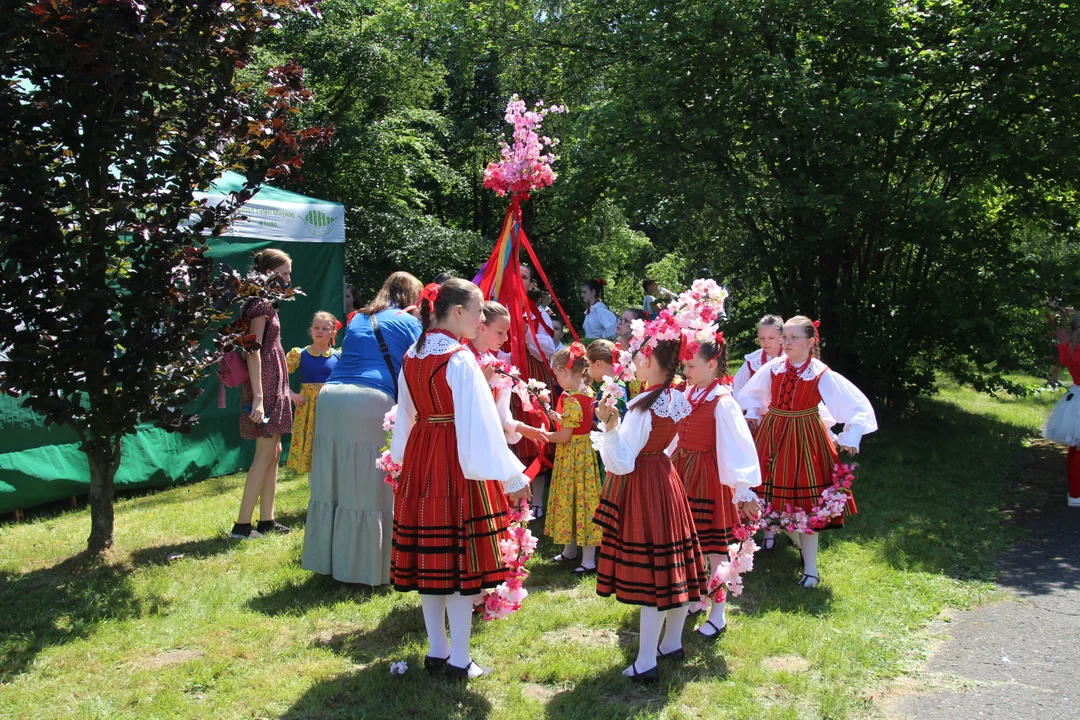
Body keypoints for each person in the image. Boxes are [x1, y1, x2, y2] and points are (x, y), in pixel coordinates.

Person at [389, 278, 531, 680]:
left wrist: (402, 457)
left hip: (422, 456)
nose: (481, 316)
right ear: (456, 313)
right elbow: (481, 423)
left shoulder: (412, 356)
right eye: (477, 309)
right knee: (459, 563)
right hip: (456, 460)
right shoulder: (460, 358)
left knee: (433, 561)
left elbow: (406, 415)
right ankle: (458, 659)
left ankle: (438, 650)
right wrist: (508, 473)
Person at [593, 333, 707, 683]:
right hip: (664, 477)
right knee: (673, 566)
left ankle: (645, 660)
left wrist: (609, 427)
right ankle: (671, 643)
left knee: (654, 573)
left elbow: (622, 463)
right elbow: (672, 444)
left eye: (642, 356)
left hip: (643, 483)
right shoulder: (675, 397)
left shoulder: (642, 405)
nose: (636, 361)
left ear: (654, 362)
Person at [736, 316, 878, 587]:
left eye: (793, 338)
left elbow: (856, 406)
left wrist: (852, 434)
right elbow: (751, 395)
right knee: (765, 494)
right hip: (773, 433)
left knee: (807, 505)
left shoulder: (820, 373)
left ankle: (810, 568)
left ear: (810, 342)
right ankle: (758, 546)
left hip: (805, 439)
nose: (787, 343)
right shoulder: (774, 368)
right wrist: (753, 414)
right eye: (785, 338)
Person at [301, 271, 423, 585]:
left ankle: (328, 562)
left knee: (334, 483)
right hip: (370, 400)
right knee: (370, 487)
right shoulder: (409, 322)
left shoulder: (357, 318)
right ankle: (368, 568)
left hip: (331, 398)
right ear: (412, 297)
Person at [672, 334, 761, 639]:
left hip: (709, 478)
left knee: (714, 549)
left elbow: (738, 446)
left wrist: (743, 489)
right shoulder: (689, 393)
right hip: (683, 472)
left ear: (711, 365)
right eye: (684, 366)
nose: (686, 372)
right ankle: (696, 598)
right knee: (690, 544)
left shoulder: (723, 402)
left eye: (691, 366)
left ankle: (719, 613)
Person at [231, 249, 295, 539]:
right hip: (265, 384)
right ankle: (242, 527)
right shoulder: (258, 306)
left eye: (288, 273)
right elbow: (252, 352)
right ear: (266, 274)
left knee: (274, 452)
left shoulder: (266, 304)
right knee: (264, 455)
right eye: (282, 273)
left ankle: (266, 521)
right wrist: (258, 397)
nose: (287, 279)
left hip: (273, 381)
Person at [544, 343, 604, 575]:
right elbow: (578, 423)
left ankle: (587, 559)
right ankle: (571, 551)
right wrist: (558, 416)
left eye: (557, 374)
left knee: (575, 501)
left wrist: (542, 435)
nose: (557, 379)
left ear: (566, 372)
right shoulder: (586, 394)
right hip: (584, 456)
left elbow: (564, 435)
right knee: (579, 500)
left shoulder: (571, 399)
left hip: (573, 457)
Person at [466, 301, 547, 448]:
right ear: (483, 328)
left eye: (506, 333)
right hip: (465, 438)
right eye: (500, 332)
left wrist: (522, 428)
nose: (506, 339)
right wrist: (480, 383)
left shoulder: (497, 365)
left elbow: (500, 413)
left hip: (487, 441)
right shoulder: (463, 358)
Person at [285, 311, 341, 474]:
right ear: (310, 330)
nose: (320, 331)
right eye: (316, 328)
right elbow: (279, 377)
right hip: (308, 409)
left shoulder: (339, 356)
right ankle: (315, 492)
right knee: (311, 452)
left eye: (325, 328)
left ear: (333, 333)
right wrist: (292, 395)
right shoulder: (299, 354)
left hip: (332, 408)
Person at [1042, 315, 1080, 506]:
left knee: (1075, 447)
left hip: (1075, 396)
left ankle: (1075, 493)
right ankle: (1076, 494)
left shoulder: (1069, 348)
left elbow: (1065, 362)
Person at [732, 314, 785, 396]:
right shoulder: (753, 361)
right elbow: (737, 388)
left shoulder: (790, 358)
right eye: (761, 338)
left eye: (771, 338)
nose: (766, 342)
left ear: (781, 337)